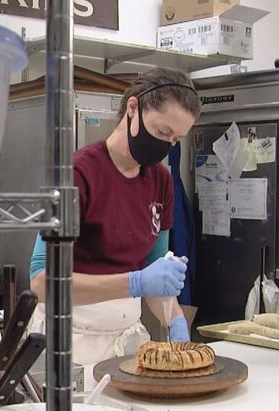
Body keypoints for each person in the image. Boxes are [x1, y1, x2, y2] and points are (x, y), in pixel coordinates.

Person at [28, 68, 201, 365]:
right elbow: (41, 282)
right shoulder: (75, 175)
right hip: (70, 341)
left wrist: (175, 319)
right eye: (162, 132)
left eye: (175, 140)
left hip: (127, 342)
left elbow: (154, 276)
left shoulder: (161, 183)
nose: (166, 145)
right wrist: (134, 283)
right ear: (133, 108)